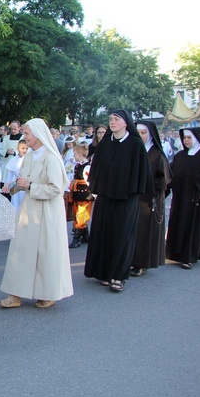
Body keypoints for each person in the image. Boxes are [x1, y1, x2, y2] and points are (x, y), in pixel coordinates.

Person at [0, 118, 74, 309]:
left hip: (48, 212)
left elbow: (56, 188)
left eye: (27, 133)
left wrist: (30, 186)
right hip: (28, 210)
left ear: (38, 135)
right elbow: (24, 181)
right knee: (20, 251)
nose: (24, 136)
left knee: (46, 253)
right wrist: (12, 186)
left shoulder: (52, 158)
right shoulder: (30, 156)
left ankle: (48, 293)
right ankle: (15, 294)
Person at [84, 110, 152, 292]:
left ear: (126, 123)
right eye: (111, 119)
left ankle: (119, 276)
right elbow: (96, 171)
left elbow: (141, 173)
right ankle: (105, 272)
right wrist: (95, 190)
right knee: (104, 233)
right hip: (106, 197)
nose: (112, 122)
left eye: (116, 119)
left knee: (122, 236)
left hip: (126, 199)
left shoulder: (136, 144)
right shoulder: (105, 144)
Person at [129, 121, 172, 276]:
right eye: (138, 132)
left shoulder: (157, 154)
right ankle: (130, 259)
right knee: (132, 230)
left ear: (150, 134)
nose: (140, 136)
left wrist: (149, 189)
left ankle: (142, 263)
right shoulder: (134, 151)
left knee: (144, 232)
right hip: (133, 197)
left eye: (143, 133)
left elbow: (164, 180)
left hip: (149, 199)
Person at [165, 127, 200, 269]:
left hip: (195, 198)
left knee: (191, 226)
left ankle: (189, 256)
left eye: (189, 138)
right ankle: (175, 253)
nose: (186, 140)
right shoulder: (180, 155)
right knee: (177, 222)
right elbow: (171, 173)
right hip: (179, 196)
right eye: (185, 138)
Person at [68, 143, 92, 248]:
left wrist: (91, 194)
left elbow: (89, 181)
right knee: (77, 213)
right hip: (78, 194)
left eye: (75, 154)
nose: (73, 156)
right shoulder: (78, 165)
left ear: (80, 154)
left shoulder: (87, 166)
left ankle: (76, 238)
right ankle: (86, 236)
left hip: (84, 195)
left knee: (81, 216)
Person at [3, 139, 28, 214]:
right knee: (15, 205)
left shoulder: (29, 160)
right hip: (15, 185)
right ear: (18, 148)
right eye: (23, 148)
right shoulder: (13, 160)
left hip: (25, 185)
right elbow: (10, 175)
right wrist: (7, 185)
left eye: (26, 148)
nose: (25, 150)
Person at [0, 120, 22, 186]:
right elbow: (0, 149)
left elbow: (25, 150)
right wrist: (6, 152)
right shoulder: (6, 138)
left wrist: (15, 153)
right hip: (7, 163)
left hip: (17, 164)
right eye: (11, 129)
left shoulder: (22, 139)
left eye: (15, 129)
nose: (13, 131)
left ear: (19, 128)